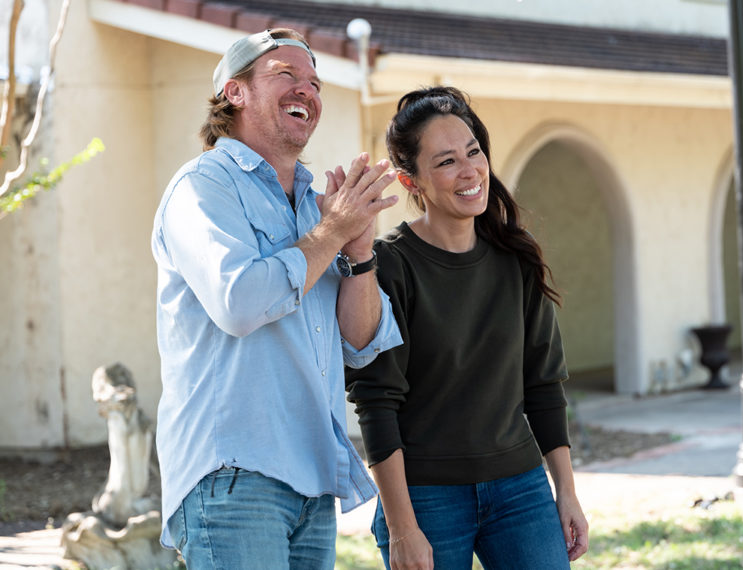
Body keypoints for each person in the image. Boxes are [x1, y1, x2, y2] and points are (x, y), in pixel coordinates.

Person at [150, 29, 402, 568]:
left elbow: (361, 344)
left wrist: (357, 254)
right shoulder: (201, 188)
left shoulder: (318, 210)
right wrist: (332, 232)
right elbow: (240, 302)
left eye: (314, 83)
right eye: (285, 75)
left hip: (313, 480)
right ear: (234, 93)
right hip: (233, 474)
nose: (306, 91)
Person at [345, 86, 590, 569]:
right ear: (410, 181)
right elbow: (376, 403)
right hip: (425, 497)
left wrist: (566, 492)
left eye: (473, 151)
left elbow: (543, 384)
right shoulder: (390, 267)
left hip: (520, 488)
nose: (469, 170)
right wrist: (402, 527)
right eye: (445, 161)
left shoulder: (515, 258)